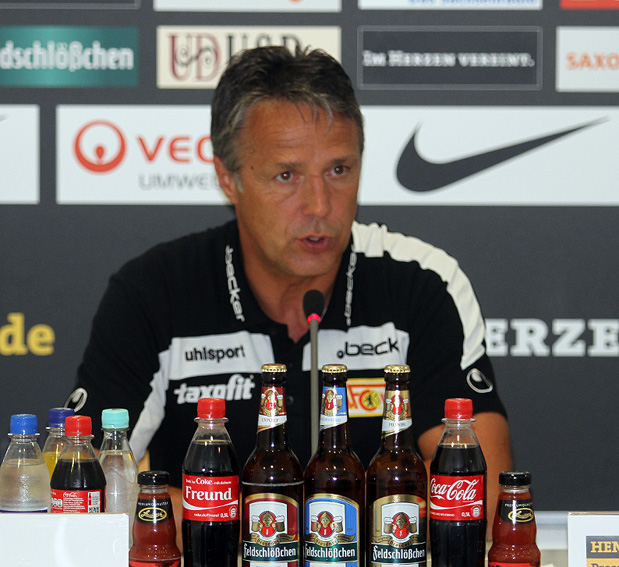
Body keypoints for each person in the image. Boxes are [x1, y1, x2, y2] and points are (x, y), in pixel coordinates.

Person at [68, 45, 512, 543]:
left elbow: (485, 493)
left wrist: (262, 518)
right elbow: (85, 491)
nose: (319, 205)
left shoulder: (423, 282)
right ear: (228, 179)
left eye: (339, 170)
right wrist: (300, 519)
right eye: (287, 175)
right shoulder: (153, 292)